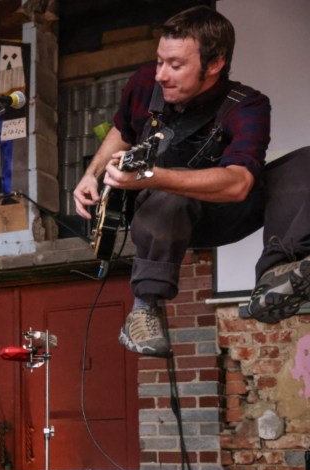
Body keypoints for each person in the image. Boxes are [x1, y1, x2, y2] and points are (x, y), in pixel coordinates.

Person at [72, 6, 273, 357]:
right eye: (160, 61)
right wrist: (91, 174)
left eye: (176, 65)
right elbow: (124, 129)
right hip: (163, 215)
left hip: (226, 214)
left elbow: (240, 183)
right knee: (171, 192)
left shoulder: (248, 105)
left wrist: (153, 175)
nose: (161, 75)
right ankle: (144, 309)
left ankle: (281, 272)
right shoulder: (145, 82)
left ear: (214, 64)